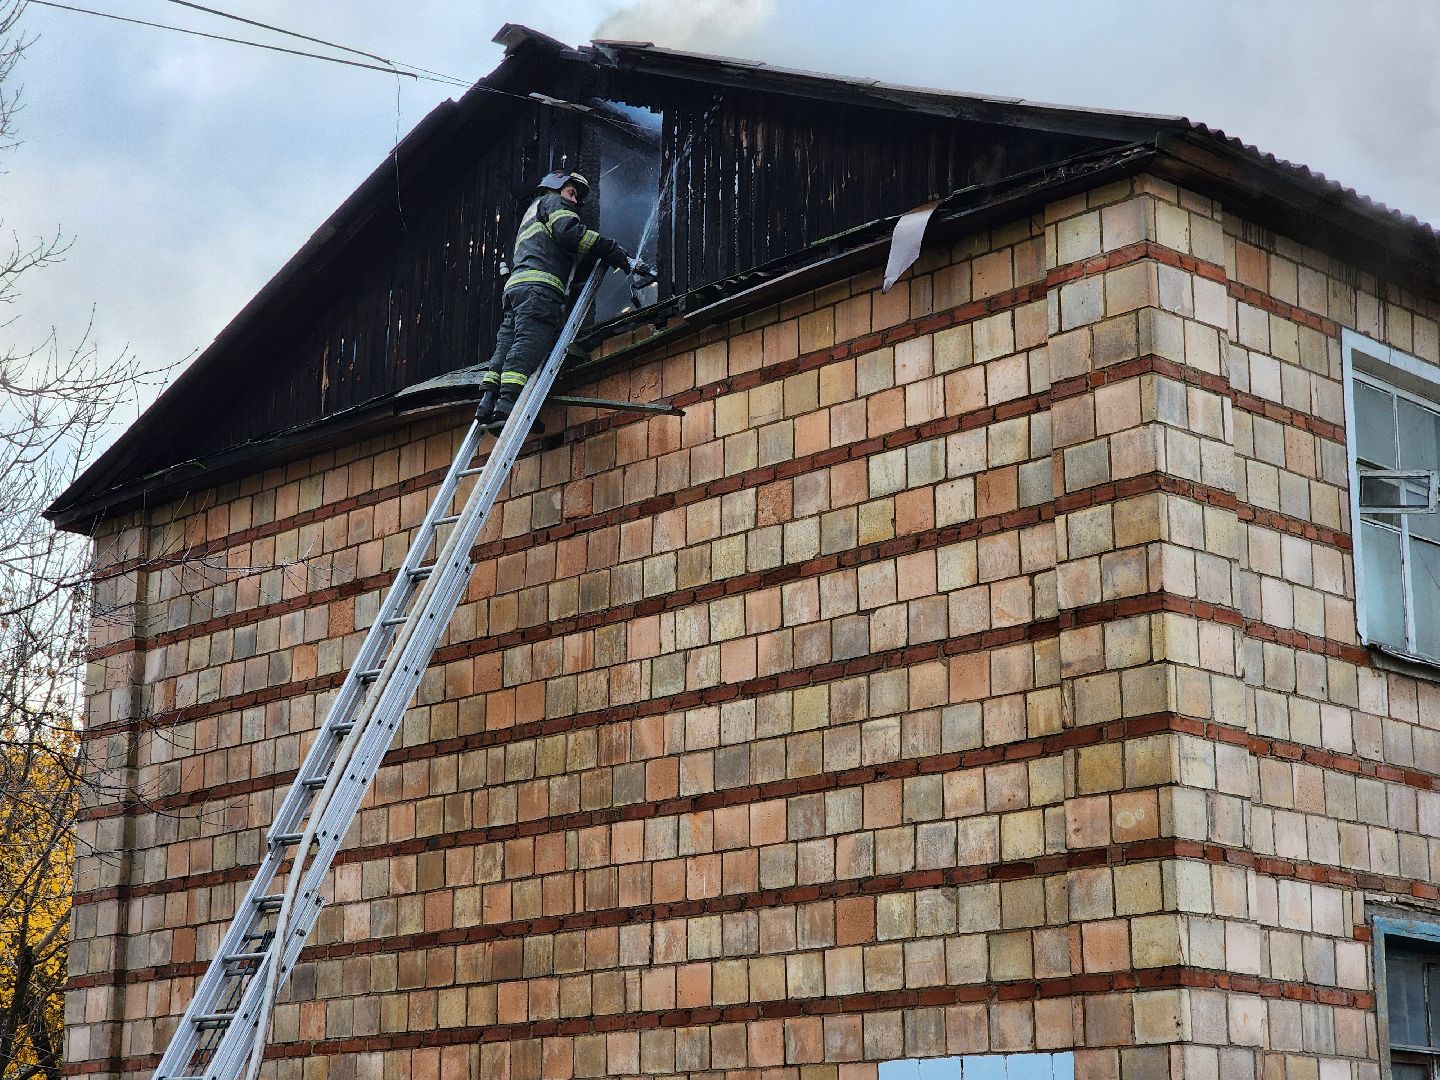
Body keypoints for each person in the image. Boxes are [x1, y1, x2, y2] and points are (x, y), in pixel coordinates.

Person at [476, 170, 654, 427]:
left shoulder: (531, 214)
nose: (573, 201)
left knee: (507, 342)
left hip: (517, 289)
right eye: (571, 193)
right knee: (530, 342)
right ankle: (508, 406)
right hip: (540, 289)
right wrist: (610, 248)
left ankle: (488, 401)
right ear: (554, 186)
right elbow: (569, 233)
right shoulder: (553, 203)